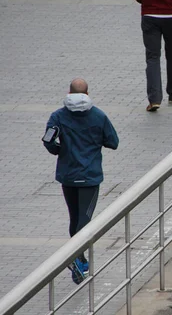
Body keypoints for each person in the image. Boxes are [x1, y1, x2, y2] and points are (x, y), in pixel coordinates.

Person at [43, 78, 119, 284]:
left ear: (69, 92)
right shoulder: (98, 116)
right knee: (85, 220)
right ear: (87, 93)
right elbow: (113, 142)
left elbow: (48, 140)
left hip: (67, 176)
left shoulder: (58, 116)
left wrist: (60, 151)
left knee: (74, 218)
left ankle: (81, 263)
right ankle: (75, 257)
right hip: (90, 176)